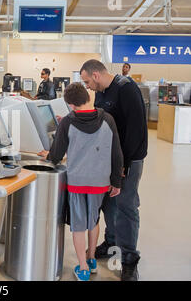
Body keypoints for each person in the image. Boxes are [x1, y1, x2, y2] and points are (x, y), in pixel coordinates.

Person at [39, 82, 123, 281]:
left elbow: (57, 155)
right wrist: (116, 182)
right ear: (87, 97)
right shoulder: (108, 119)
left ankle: (83, 267)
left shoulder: (68, 122)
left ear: (71, 104)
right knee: (93, 219)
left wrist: (47, 155)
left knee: (78, 224)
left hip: (77, 182)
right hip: (100, 181)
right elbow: (116, 153)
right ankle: (92, 258)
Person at [80, 59, 148, 281]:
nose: (87, 86)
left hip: (128, 159)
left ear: (96, 75)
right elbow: (102, 121)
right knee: (108, 202)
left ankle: (129, 259)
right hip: (108, 159)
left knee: (126, 205)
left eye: (87, 81)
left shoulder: (126, 89)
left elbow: (136, 129)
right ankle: (111, 241)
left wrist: (123, 164)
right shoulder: (101, 93)